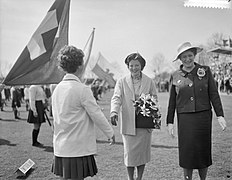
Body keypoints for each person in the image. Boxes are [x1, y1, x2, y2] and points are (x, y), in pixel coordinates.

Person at [51, 45, 115, 180]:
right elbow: (96, 114)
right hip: (77, 147)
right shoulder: (82, 89)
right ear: (81, 66)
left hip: (61, 146)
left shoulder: (56, 89)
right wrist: (110, 133)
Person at [166, 42, 227, 180]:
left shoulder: (205, 71)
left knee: (202, 151)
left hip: (203, 117)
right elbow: (172, 101)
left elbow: (213, 94)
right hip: (185, 119)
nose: (187, 59)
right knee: (187, 151)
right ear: (180, 59)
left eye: (190, 56)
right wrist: (169, 122)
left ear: (194, 55)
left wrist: (220, 115)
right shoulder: (175, 76)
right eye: (184, 57)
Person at [110, 52, 157, 180]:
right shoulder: (122, 81)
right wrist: (114, 111)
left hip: (144, 123)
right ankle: (131, 178)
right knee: (130, 154)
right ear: (127, 66)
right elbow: (116, 97)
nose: (134, 68)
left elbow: (155, 97)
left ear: (142, 66)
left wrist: (148, 104)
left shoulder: (149, 81)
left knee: (142, 154)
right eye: (131, 65)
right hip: (128, 123)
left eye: (137, 65)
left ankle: (139, 177)